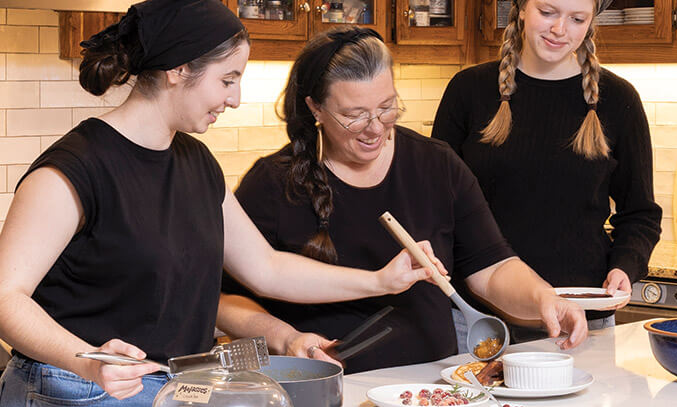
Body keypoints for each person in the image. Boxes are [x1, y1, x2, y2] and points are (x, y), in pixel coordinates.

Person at [0, 0, 438, 407]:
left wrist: (380, 280)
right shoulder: (76, 168)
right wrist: (85, 358)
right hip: (71, 401)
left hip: (170, 400)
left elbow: (267, 267)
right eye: (228, 79)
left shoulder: (195, 162)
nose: (235, 98)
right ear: (179, 70)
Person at [217, 26, 588, 373]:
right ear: (315, 108)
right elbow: (222, 300)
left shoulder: (436, 163)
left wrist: (544, 299)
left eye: (386, 107)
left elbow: (491, 270)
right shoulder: (273, 183)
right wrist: (285, 338)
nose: (375, 127)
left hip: (434, 389)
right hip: (331, 391)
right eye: (354, 115)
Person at [432, 0, 662, 338]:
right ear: (521, 6)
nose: (560, 30)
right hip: (477, 318)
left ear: (591, 23)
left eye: (577, 19)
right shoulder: (469, 91)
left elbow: (639, 212)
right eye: (547, 12)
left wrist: (625, 265)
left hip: (581, 314)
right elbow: (435, 202)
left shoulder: (618, 100)